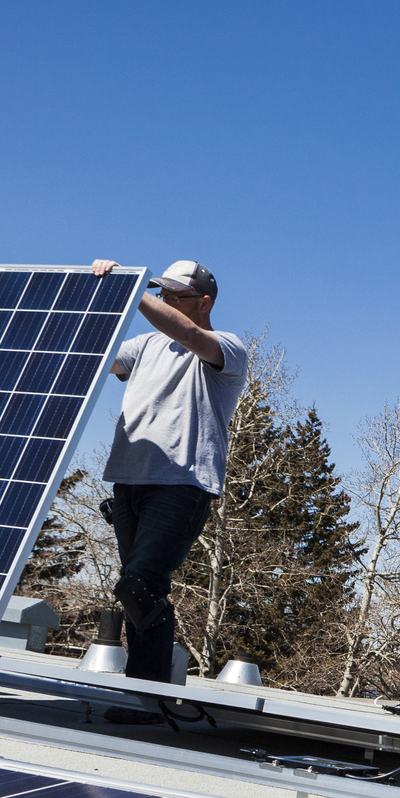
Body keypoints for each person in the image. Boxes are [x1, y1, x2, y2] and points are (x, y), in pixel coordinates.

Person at [86, 258, 249, 722]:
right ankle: (146, 694)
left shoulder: (227, 348)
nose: (162, 302)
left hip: (182, 483)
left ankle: (149, 698)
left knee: (140, 585)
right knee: (140, 591)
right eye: (160, 294)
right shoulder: (143, 346)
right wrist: (100, 294)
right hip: (128, 480)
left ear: (203, 302)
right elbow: (102, 357)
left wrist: (134, 293)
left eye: (172, 296)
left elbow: (192, 337)